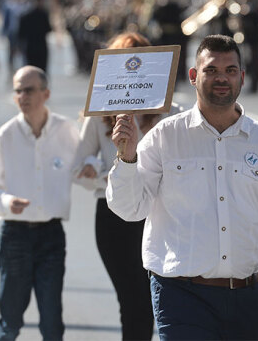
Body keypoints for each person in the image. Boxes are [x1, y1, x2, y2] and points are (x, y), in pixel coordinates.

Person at [107, 34, 258, 341]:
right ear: (194, 77)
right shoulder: (164, 136)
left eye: (230, 70)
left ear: (242, 77)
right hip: (180, 295)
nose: (221, 78)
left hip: (248, 295)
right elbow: (130, 209)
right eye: (211, 70)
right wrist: (127, 157)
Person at [73, 32, 183, 340]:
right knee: (131, 299)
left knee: (157, 299)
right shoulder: (100, 118)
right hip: (113, 218)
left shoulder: (171, 114)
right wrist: (106, 177)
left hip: (159, 215)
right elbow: (77, 167)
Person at [0, 66, 81, 341]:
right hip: (16, 237)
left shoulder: (65, 130)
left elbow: (84, 165)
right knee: (10, 322)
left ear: (45, 94)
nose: (22, 96)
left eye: (29, 89)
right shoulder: (6, 135)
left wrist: (94, 167)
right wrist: (7, 201)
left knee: (52, 323)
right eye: (18, 90)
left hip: (51, 236)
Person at [18, 0, 52, 72]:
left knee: (32, 70)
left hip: (31, 47)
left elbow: (21, 34)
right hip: (40, 46)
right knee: (41, 71)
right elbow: (48, 29)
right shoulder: (43, 14)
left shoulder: (25, 15)